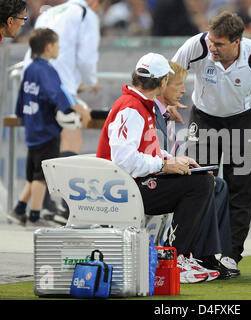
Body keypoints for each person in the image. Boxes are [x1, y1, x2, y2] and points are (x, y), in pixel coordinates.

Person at [171, 11, 251, 273]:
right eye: (211, 41)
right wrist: (170, 101)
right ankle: (199, 253)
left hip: (242, 121)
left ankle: (231, 255)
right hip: (204, 118)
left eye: (219, 44)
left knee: (240, 188)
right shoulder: (196, 46)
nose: (212, 48)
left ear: (237, 42)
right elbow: (172, 72)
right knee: (200, 182)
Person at [96, 52, 219, 284]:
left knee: (199, 178)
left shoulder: (139, 105)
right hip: (124, 189)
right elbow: (124, 160)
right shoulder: (132, 108)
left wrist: (175, 160)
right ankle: (174, 259)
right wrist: (164, 164)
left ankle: (180, 256)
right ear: (162, 82)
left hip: (132, 184)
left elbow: (146, 151)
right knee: (199, 184)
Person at [154, 61, 238, 279]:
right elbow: (149, 155)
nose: (184, 90)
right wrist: (173, 164)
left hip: (160, 172)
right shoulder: (149, 112)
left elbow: (162, 152)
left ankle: (204, 255)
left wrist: (180, 161)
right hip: (150, 180)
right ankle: (181, 254)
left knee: (218, 184)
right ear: (163, 85)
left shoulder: (165, 114)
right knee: (204, 183)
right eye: (179, 85)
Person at [23, 0, 105, 221]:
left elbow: (31, 51)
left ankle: (35, 206)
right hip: (58, 86)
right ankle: (62, 206)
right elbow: (86, 56)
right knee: (71, 140)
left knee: (45, 147)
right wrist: (91, 80)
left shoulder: (49, 12)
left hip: (35, 83)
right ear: (95, 3)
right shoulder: (86, 13)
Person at [7, 28, 91, 228]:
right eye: (56, 44)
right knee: (41, 176)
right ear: (48, 47)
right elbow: (57, 94)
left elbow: (23, 95)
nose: (59, 48)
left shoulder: (30, 69)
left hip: (32, 129)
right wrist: (78, 109)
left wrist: (20, 114)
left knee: (33, 174)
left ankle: (19, 210)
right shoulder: (47, 70)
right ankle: (36, 215)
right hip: (46, 130)